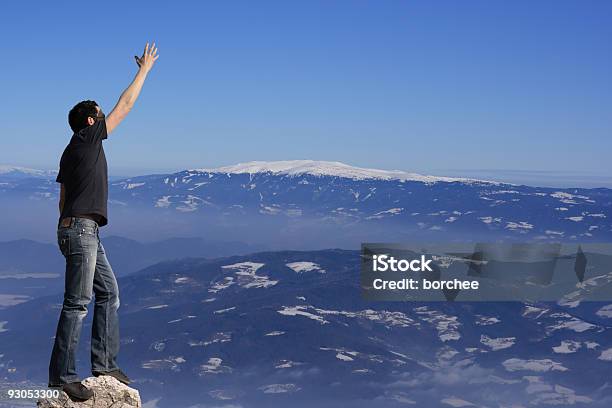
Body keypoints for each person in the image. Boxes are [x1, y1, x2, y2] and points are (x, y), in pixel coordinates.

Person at [48, 42, 159, 401]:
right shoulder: (87, 137)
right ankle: (62, 376)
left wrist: (69, 228)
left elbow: (63, 198)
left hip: (79, 228)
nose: (104, 115)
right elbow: (125, 106)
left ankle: (105, 364)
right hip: (81, 230)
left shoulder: (71, 150)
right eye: (99, 113)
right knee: (77, 304)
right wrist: (144, 70)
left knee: (108, 292)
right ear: (92, 121)